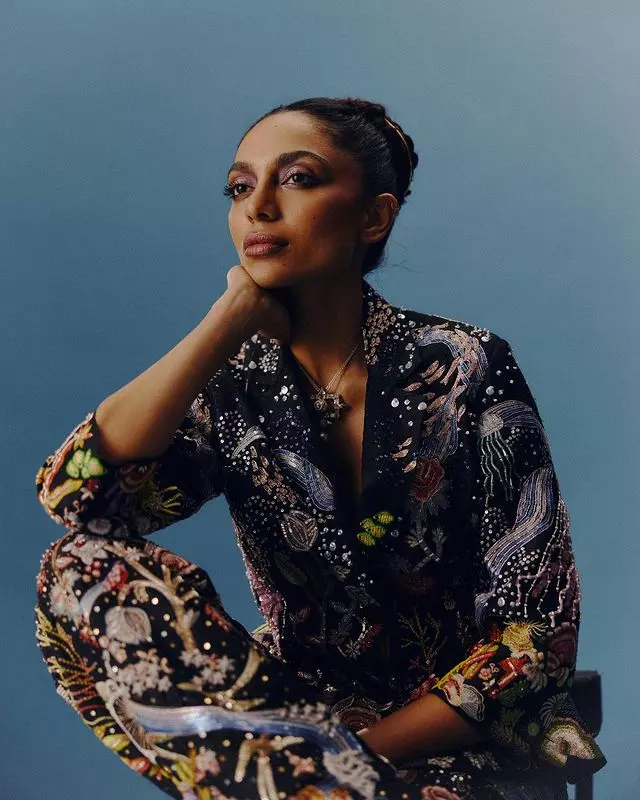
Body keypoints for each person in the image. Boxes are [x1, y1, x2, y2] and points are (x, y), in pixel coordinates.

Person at [34, 96, 605, 800]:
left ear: (374, 217)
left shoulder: (463, 365)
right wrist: (221, 326)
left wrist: (339, 765)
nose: (258, 207)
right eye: (239, 187)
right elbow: (79, 500)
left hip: (449, 750)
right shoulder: (233, 382)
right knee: (77, 565)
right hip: (286, 733)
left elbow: (537, 638)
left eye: (297, 178)